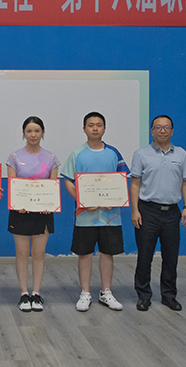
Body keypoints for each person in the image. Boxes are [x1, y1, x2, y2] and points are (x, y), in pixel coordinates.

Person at [61, 111, 129, 312]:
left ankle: (106, 292)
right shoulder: (77, 153)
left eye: (99, 125)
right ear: (84, 129)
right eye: (91, 125)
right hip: (85, 216)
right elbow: (68, 181)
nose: (95, 128)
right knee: (85, 253)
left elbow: (122, 179)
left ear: (104, 128)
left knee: (108, 253)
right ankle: (85, 292)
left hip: (111, 216)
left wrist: (113, 198)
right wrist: (82, 200)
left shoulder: (114, 153)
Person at [130, 115, 186, 312]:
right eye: (158, 127)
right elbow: (135, 184)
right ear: (152, 131)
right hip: (147, 211)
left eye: (166, 127)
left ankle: (169, 296)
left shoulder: (181, 154)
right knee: (145, 256)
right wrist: (135, 210)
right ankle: (143, 296)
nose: (162, 130)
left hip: (172, 212)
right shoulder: (141, 154)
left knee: (171, 257)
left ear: (172, 131)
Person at [6, 116, 60, 312]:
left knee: (38, 254)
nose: (33, 134)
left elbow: (52, 186)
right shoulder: (14, 157)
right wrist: (18, 203)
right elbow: (12, 186)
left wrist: (49, 203)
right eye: (29, 131)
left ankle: (36, 294)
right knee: (21, 254)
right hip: (20, 212)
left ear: (42, 132)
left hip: (42, 213)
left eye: (37, 131)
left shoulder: (51, 158)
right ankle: (23, 293)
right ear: (24, 133)